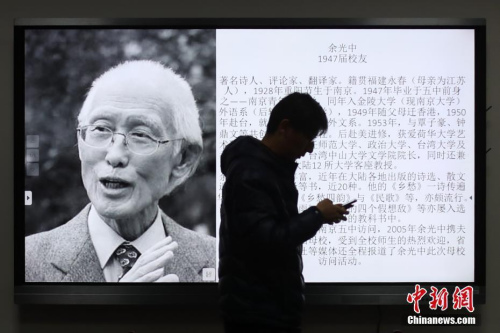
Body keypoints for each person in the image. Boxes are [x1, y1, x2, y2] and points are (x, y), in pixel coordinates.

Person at [25, 60, 216, 283]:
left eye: (141, 135)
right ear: (80, 139)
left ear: (183, 158)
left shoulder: (218, 260)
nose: (114, 156)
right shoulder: (26, 261)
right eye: (101, 129)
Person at [219, 92, 349, 333]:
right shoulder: (251, 173)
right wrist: (317, 215)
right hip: (257, 316)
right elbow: (269, 239)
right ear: (285, 127)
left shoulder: (266, 169)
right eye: (307, 139)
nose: (309, 149)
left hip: (266, 311)